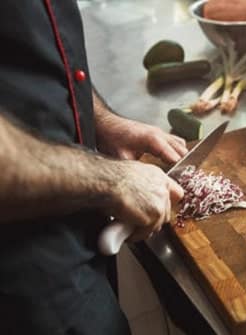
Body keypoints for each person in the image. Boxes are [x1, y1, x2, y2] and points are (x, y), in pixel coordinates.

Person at [0, 1, 187, 334]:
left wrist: (101, 122)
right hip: (22, 288)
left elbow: (30, 54)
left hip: (78, 241)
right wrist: (110, 180)